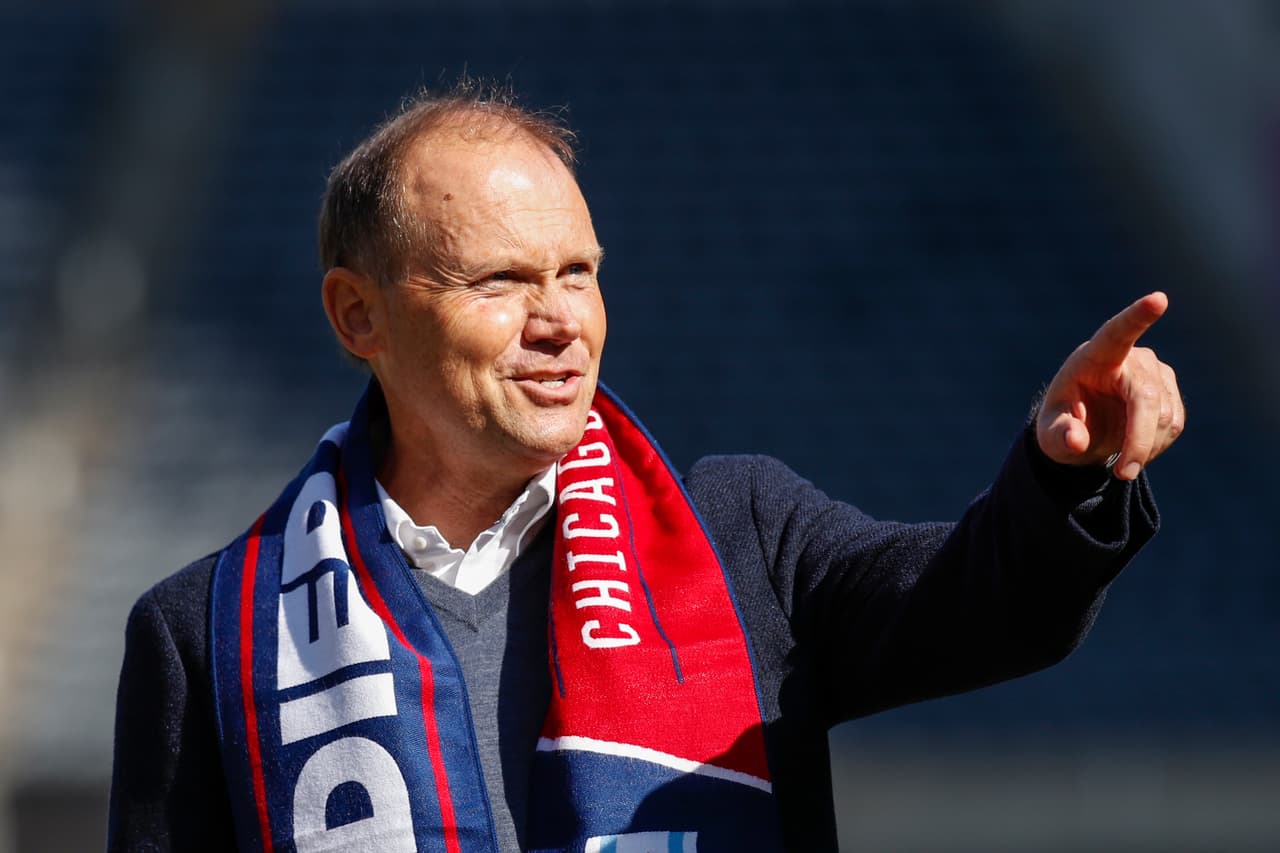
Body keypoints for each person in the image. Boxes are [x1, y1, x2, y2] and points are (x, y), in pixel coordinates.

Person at [108, 86, 1183, 853]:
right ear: (357, 315)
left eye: (577, 272)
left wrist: (1062, 473)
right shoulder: (207, 634)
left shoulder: (738, 535)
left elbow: (987, 604)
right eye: (500, 280)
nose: (559, 320)